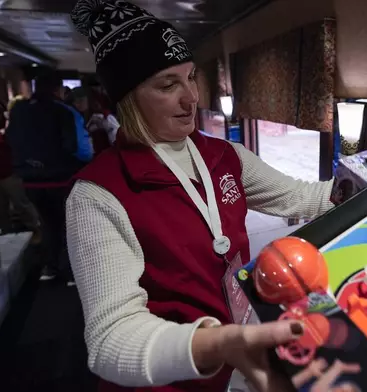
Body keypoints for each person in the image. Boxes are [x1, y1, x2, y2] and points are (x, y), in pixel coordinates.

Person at [68, 1, 338, 391]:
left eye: (191, 77)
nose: (191, 97)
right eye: (167, 85)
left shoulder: (225, 157)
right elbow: (110, 340)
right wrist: (217, 343)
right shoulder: (97, 194)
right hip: (167, 376)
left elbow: (304, 198)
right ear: (127, 99)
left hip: (230, 357)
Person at [5, 71, 92, 283]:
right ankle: (72, 272)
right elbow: (80, 149)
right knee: (70, 225)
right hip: (61, 178)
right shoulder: (64, 111)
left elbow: (10, 140)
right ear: (58, 90)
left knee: (47, 223)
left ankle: (50, 267)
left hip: (31, 180)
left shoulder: (19, 110)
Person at [0, 97, 41, 235]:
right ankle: (5, 235)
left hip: (10, 175)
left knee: (22, 205)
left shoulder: (10, 125)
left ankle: (37, 230)